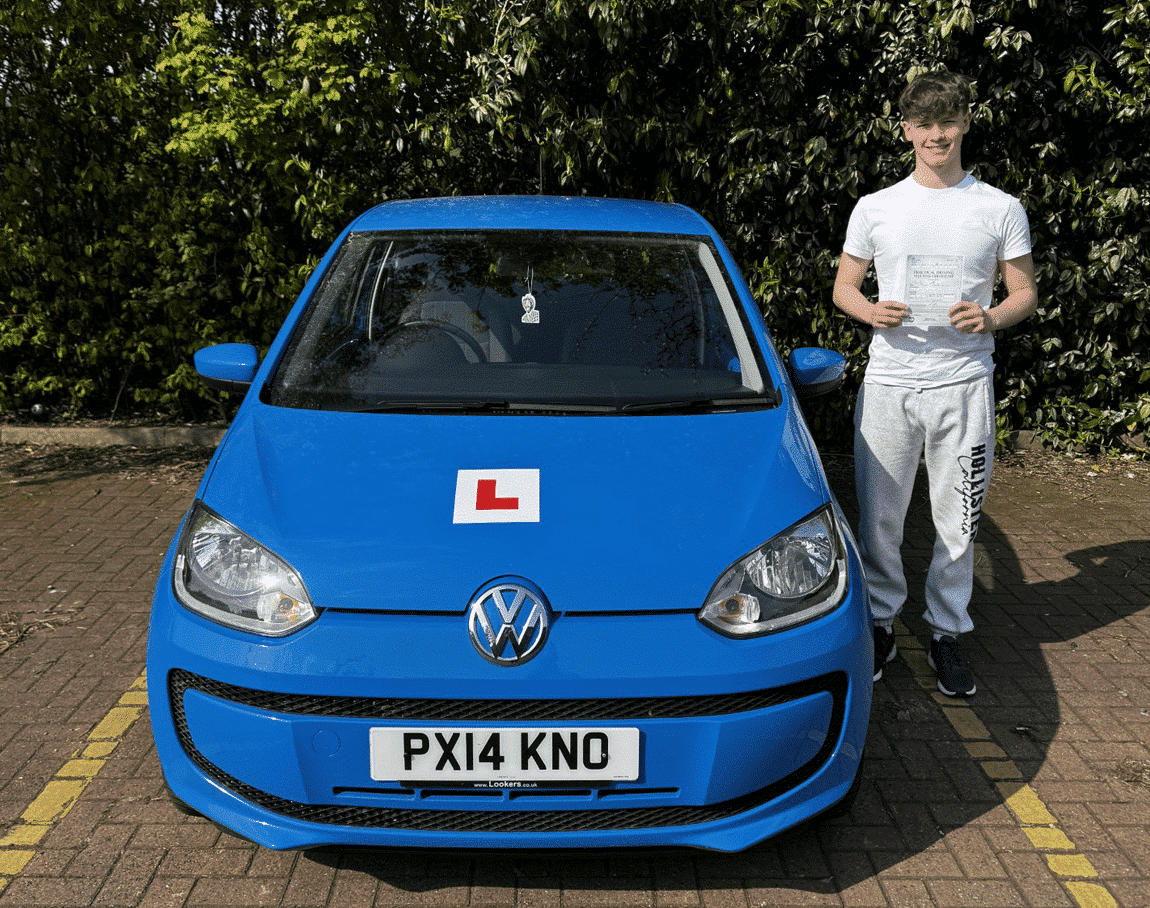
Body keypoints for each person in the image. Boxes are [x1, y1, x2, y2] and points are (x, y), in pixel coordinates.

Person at [832, 70, 1037, 697]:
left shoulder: (999, 208)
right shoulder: (877, 207)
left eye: (946, 122)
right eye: (923, 124)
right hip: (892, 381)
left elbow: (1024, 292)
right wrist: (870, 311)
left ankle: (948, 632)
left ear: (966, 123)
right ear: (906, 130)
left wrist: (992, 316)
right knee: (880, 521)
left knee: (959, 519)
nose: (935, 135)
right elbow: (844, 286)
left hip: (964, 383)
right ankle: (881, 623)